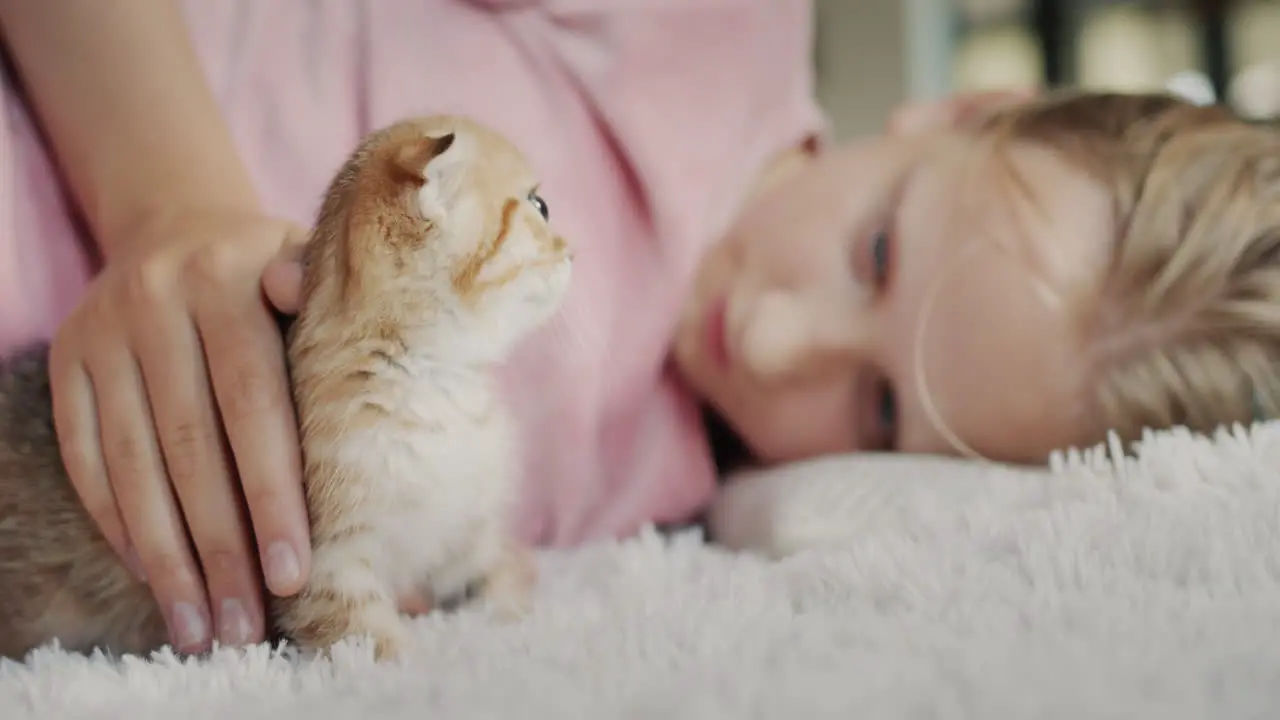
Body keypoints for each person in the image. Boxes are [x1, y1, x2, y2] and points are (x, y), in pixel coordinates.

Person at [1, 0, 1267, 657]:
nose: (772, 342)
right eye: (874, 252)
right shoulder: (702, 31)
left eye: (876, 408)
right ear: (961, 109)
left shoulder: (668, 499)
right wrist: (168, 199)